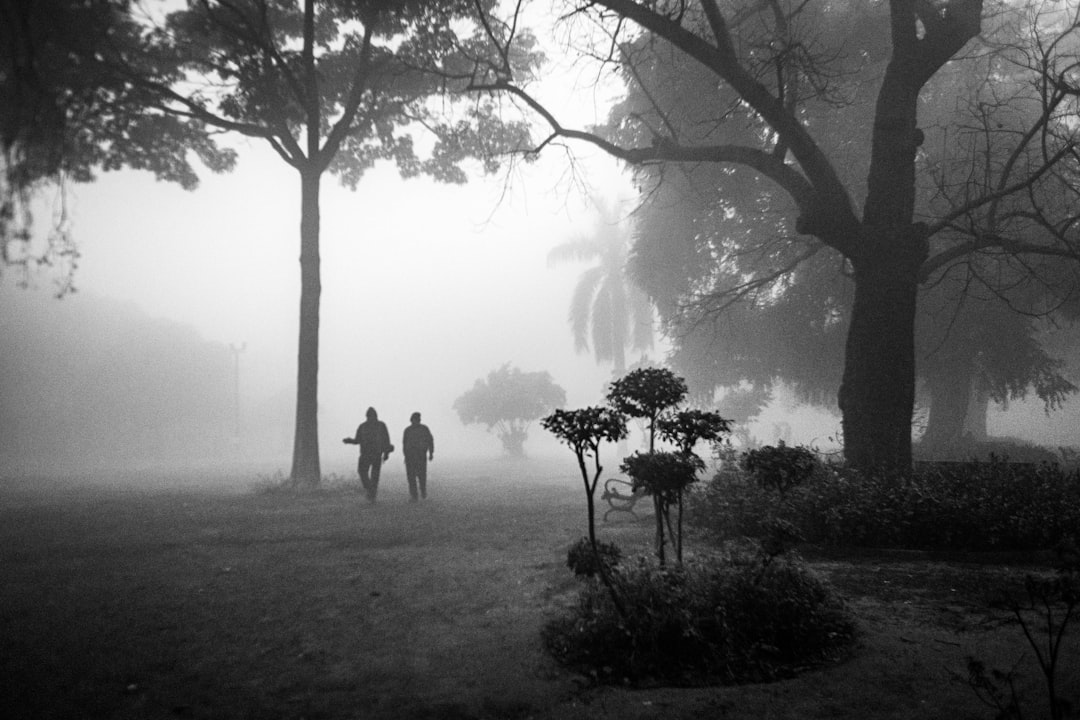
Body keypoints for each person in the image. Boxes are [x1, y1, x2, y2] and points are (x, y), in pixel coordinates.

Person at [343, 407, 393, 503]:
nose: (370, 418)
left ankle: (371, 494)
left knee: (372, 475)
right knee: (365, 473)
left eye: (371, 416)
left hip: (374, 454)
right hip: (368, 454)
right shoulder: (366, 426)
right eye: (369, 416)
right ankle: (371, 491)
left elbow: (386, 441)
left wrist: (386, 453)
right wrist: (349, 441)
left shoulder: (375, 426)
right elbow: (358, 440)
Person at [402, 411, 434, 502]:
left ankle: (422, 492)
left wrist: (431, 453)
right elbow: (404, 444)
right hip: (411, 456)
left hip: (420, 456)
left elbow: (430, 441)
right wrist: (405, 455)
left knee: (421, 476)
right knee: (411, 477)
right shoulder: (408, 430)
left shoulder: (423, 429)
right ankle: (414, 495)